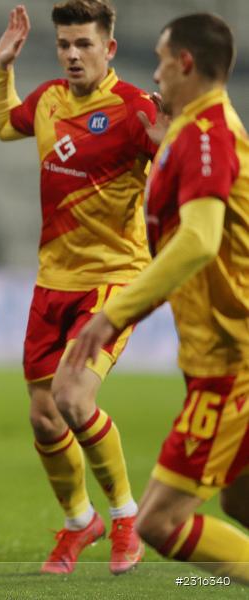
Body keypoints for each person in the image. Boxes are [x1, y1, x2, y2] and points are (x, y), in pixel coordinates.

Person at [72, 12, 249, 583]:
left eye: (161, 59)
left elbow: (199, 240)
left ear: (186, 63)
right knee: (240, 504)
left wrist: (114, 314)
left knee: (161, 523)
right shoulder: (193, 135)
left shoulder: (207, 135)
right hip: (219, 351)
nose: (155, 72)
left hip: (233, 362)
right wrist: (162, 146)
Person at [0, 0, 157, 574]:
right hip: (51, 279)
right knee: (43, 415)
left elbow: (177, 169)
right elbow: (4, 125)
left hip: (113, 281)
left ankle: (126, 518)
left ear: (109, 48)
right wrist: (1, 68)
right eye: (64, 44)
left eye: (84, 44)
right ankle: (78, 522)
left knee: (74, 397)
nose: (72, 54)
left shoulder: (136, 111)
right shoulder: (48, 100)